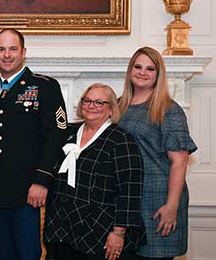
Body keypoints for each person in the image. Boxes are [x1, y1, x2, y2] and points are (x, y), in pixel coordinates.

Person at [0, 28, 68, 260]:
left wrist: (42, 180)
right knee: (1, 254)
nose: (7, 55)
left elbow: (57, 136)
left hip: (28, 194)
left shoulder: (44, 87)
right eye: (1, 49)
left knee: (29, 254)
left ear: (23, 52)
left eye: (13, 49)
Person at [45, 83, 146, 260]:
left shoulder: (121, 140)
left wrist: (119, 233)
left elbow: (130, 191)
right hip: (64, 230)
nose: (92, 106)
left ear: (111, 109)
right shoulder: (69, 132)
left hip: (101, 233)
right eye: (87, 101)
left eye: (99, 102)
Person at [118, 47, 197, 260]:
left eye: (150, 69)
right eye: (138, 67)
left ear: (158, 74)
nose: (143, 72)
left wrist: (171, 206)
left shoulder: (168, 109)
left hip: (158, 199)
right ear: (130, 70)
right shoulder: (119, 105)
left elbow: (180, 161)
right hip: (129, 200)